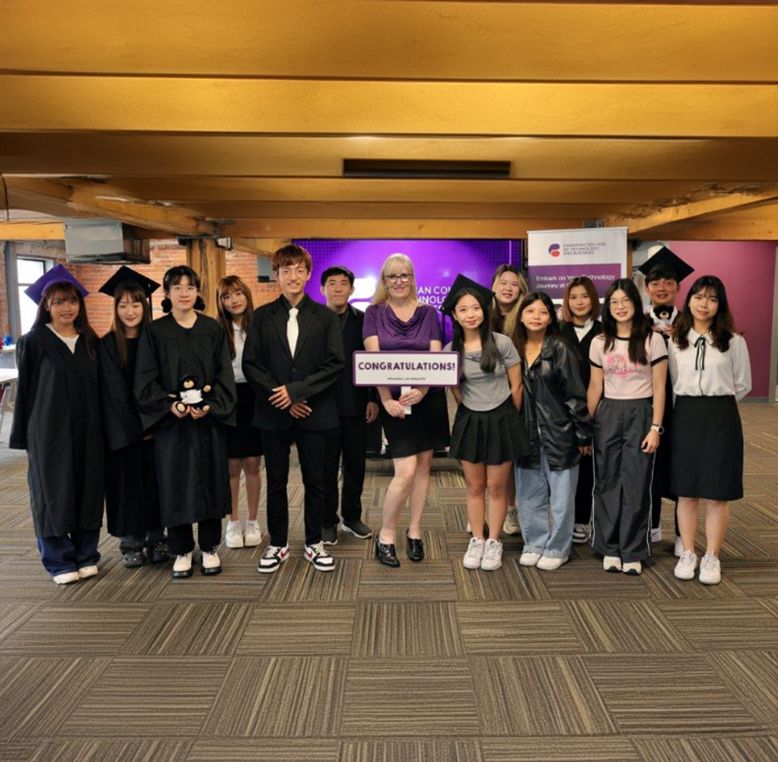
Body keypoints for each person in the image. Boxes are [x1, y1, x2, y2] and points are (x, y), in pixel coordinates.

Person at [243, 244, 343, 573]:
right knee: (277, 481)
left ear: (309, 274)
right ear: (276, 276)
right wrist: (283, 398)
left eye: (299, 269)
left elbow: (334, 364)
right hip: (274, 413)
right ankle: (278, 543)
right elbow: (251, 364)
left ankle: (314, 543)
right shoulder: (261, 316)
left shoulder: (326, 317)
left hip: (314, 411)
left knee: (316, 480)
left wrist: (298, 393)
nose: (293, 276)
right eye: (286, 270)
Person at [135, 265, 236, 579]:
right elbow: (145, 380)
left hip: (207, 423)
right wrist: (171, 406)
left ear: (197, 292)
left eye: (190, 287)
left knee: (210, 480)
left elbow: (224, 376)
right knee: (174, 482)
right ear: (166, 293)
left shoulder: (212, 329)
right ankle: (180, 549)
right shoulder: (155, 332)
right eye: (176, 287)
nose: (183, 293)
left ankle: (208, 547)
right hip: (173, 425)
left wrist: (210, 405)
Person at [10, 265, 104, 584]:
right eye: (59, 302)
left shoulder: (91, 340)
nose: (67, 308)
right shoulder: (33, 342)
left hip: (89, 431)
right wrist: (24, 437)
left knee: (88, 489)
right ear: (46, 306)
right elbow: (24, 393)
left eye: (72, 301)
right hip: (49, 433)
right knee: (52, 493)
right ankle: (58, 558)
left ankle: (86, 554)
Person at [363, 253, 450, 567]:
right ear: (384, 281)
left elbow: (436, 357)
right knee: (406, 470)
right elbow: (373, 362)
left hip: (428, 400)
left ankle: (415, 532)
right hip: (394, 403)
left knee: (424, 466)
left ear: (412, 278)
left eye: (404, 275)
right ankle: (386, 535)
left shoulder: (429, 313)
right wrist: (385, 398)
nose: (399, 281)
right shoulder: (373, 313)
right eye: (392, 276)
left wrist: (423, 389)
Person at [442, 276, 528, 571]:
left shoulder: (502, 342)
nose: (471, 314)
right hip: (470, 420)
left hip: (502, 418)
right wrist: (470, 408)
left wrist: (506, 415)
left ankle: (494, 540)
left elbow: (517, 387)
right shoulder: (450, 349)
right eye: (463, 309)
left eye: (475, 308)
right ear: (455, 315)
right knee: (474, 486)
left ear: (484, 310)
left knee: (497, 487)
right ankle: (477, 539)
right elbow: (454, 388)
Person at [669, 275, 751, 585]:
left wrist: (716, 400)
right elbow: (674, 381)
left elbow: (743, 384)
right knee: (686, 491)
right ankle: (688, 551)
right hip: (686, 415)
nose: (704, 304)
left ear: (720, 305)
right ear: (688, 300)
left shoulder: (733, 340)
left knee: (718, 492)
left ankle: (712, 555)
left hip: (721, 415)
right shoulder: (675, 338)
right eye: (699, 297)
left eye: (712, 299)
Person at [588, 278, 668, 576]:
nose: (620, 307)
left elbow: (660, 387)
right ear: (608, 307)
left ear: (636, 303)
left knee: (636, 483)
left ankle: (633, 549)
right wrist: (589, 423)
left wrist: (655, 428)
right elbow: (595, 385)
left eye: (626, 301)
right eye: (614, 302)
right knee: (607, 481)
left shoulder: (652, 339)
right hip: (608, 413)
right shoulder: (600, 341)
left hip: (641, 414)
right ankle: (608, 546)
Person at [514, 292, 592, 571]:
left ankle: (559, 547)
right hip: (525, 433)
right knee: (529, 493)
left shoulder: (559, 348)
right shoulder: (513, 348)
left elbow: (575, 394)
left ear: (551, 318)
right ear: (521, 315)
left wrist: (583, 433)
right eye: (531, 311)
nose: (536, 317)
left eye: (543, 312)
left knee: (561, 496)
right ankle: (534, 542)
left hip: (560, 431)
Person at [98, 267, 168, 568]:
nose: (130, 311)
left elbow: (165, 386)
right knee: (126, 486)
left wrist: (154, 422)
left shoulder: (157, 342)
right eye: (123, 305)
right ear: (115, 308)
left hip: (157, 429)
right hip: (123, 432)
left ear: (146, 306)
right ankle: (131, 542)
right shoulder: (106, 345)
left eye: (136, 304)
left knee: (157, 485)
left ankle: (158, 538)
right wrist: (133, 428)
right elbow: (110, 395)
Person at [638, 246, 694, 554]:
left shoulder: (691, 322)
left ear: (678, 287)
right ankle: (651, 526)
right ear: (647, 288)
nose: (662, 288)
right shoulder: (635, 323)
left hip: (682, 407)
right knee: (649, 466)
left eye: (669, 282)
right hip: (648, 406)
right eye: (656, 282)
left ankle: (683, 536)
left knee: (681, 466)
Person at [320, 265, 378, 544]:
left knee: (356, 463)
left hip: (357, 404)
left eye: (344, 283)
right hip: (323, 407)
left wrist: (372, 399)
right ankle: (327, 520)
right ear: (322, 289)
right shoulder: (314, 321)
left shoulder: (364, 320)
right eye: (332, 283)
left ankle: (352, 517)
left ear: (352, 290)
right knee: (326, 466)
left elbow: (373, 362)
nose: (338, 288)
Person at [216, 275, 263, 550]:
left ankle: (253, 521)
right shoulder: (215, 329)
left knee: (253, 465)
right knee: (232, 466)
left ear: (246, 294)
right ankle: (233, 522)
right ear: (221, 302)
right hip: (228, 398)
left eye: (237, 293)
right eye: (226, 296)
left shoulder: (259, 325)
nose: (233, 300)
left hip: (255, 397)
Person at [559, 276, 602, 545]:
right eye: (573, 297)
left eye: (585, 296)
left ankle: (586, 520)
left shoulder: (604, 331)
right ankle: (570, 520)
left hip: (598, 407)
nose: (579, 302)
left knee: (592, 468)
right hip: (564, 411)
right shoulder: (558, 333)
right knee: (568, 467)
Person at [489, 264, 528, 537]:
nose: (508, 288)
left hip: (516, 394)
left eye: (514, 284)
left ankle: (511, 509)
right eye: (503, 282)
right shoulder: (481, 314)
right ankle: (481, 510)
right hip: (483, 397)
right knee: (483, 458)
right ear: (493, 286)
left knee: (509, 458)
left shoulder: (526, 317)